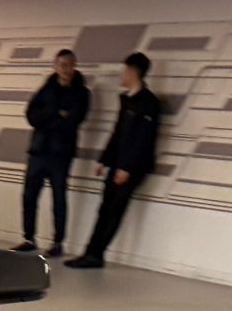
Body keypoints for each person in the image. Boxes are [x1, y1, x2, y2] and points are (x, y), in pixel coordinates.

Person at [66, 52, 162, 270]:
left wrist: (127, 167)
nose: (122, 75)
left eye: (125, 70)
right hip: (118, 164)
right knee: (105, 208)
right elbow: (118, 133)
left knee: (114, 210)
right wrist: (105, 160)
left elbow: (144, 140)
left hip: (132, 167)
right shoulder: (126, 100)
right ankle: (91, 252)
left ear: (133, 72)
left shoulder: (149, 103)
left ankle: (96, 254)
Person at [18, 49, 88, 258]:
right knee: (29, 195)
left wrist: (48, 117)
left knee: (58, 198)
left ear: (74, 66)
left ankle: (58, 242)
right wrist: (56, 112)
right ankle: (29, 238)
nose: (66, 69)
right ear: (55, 66)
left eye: (69, 65)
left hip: (61, 153)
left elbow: (74, 120)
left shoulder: (82, 92)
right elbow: (31, 115)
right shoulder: (45, 89)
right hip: (39, 150)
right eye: (62, 65)